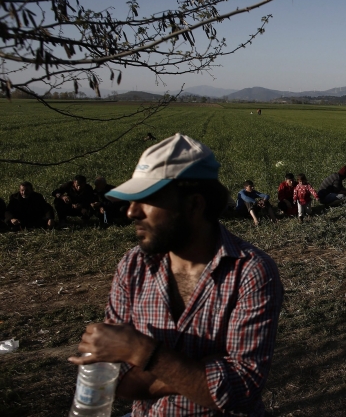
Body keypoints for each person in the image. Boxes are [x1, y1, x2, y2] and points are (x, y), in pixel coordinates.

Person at [68, 133, 284, 416]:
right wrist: (203, 371)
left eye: (147, 199)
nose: (131, 211)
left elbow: (242, 390)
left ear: (194, 204)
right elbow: (116, 381)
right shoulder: (133, 266)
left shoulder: (250, 271)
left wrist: (141, 351)